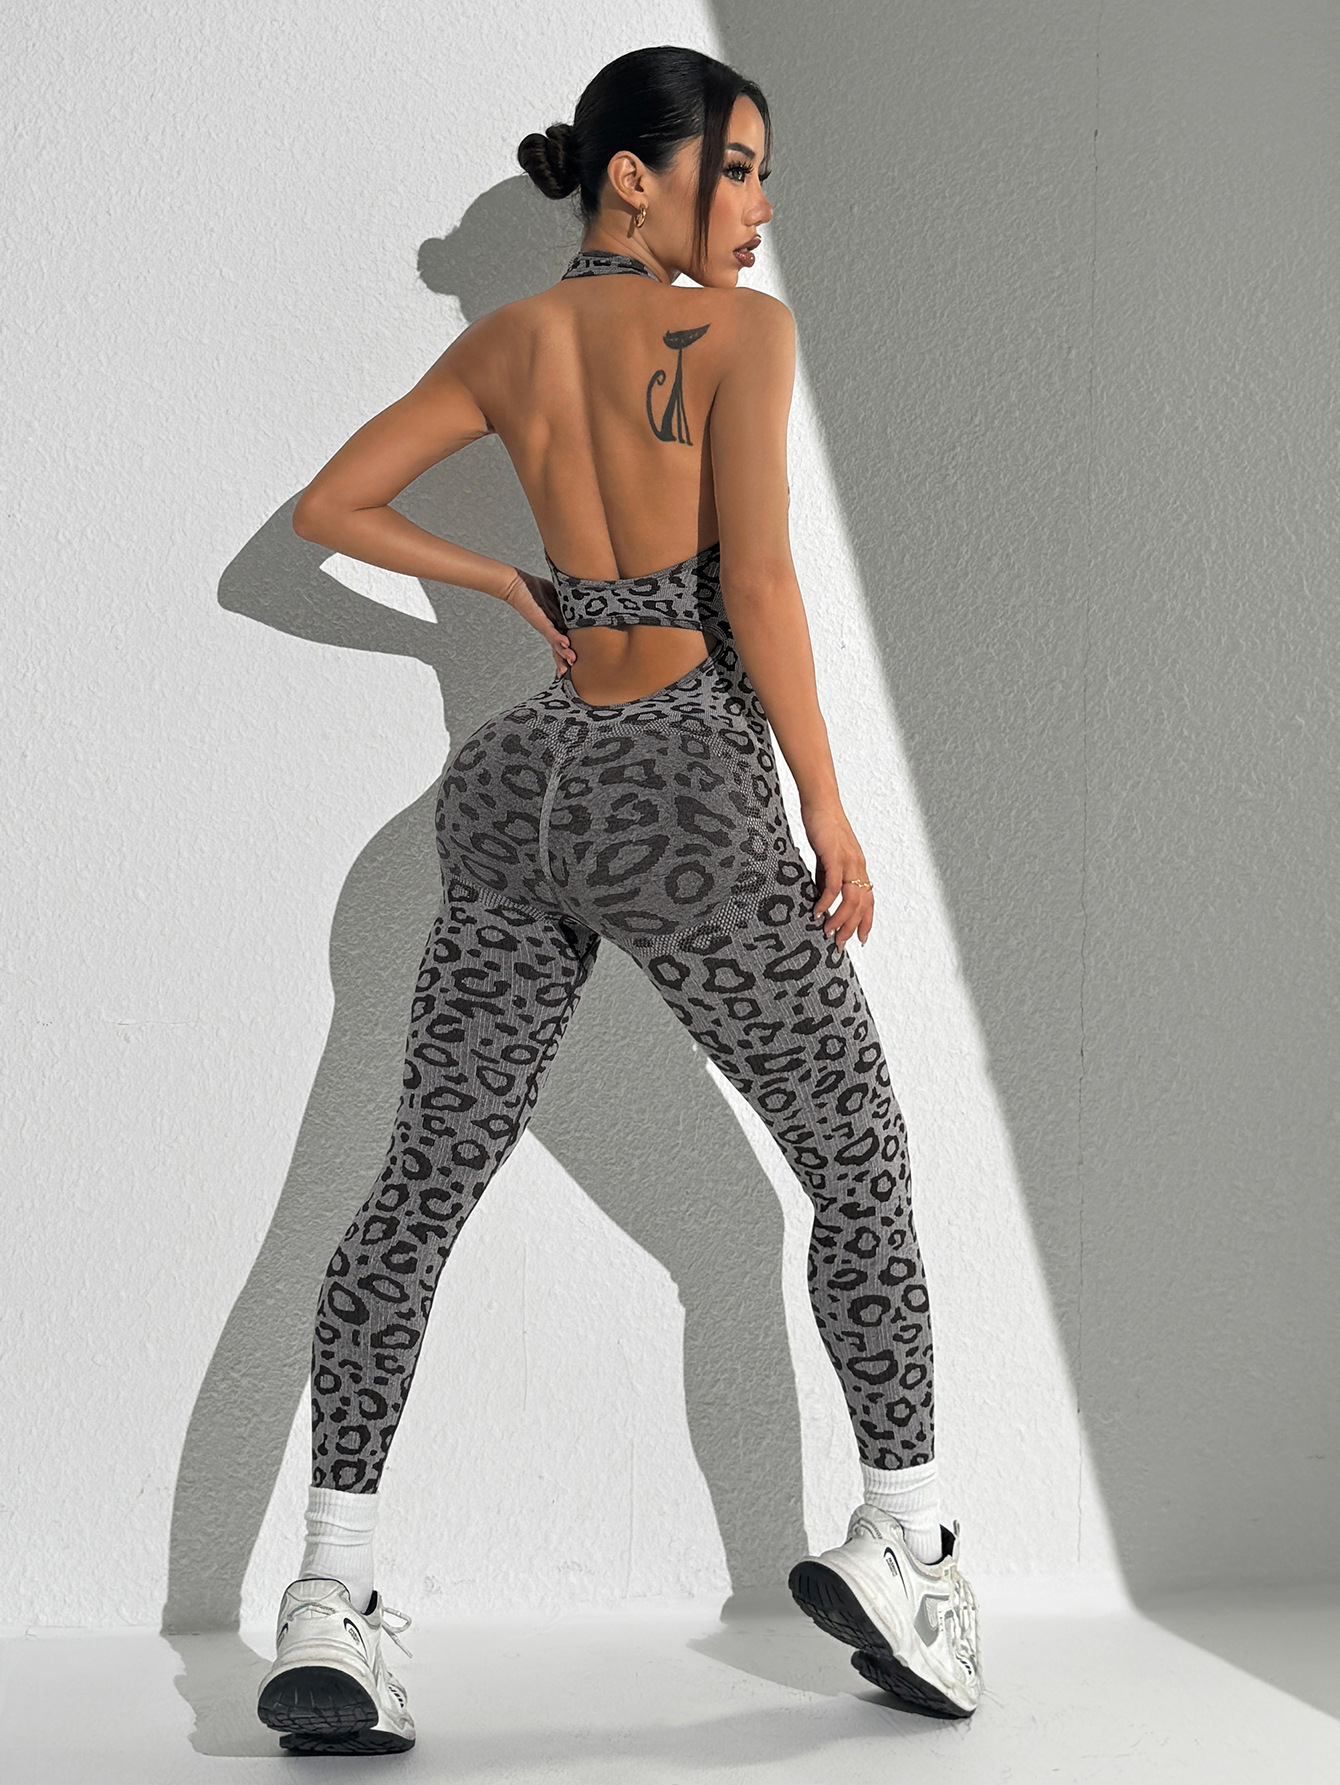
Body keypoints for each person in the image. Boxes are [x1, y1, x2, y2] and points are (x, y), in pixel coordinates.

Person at [253, 44, 982, 1754]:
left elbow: (331, 509)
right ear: (636, 177)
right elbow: (760, 580)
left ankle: (330, 1590)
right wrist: (827, 801)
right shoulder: (739, 339)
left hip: (519, 786)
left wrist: (504, 581)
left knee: (415, 1187)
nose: (760, 207)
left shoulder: (508, 346)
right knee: (859, 1156)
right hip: (677, 784)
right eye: (738, 169)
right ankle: (907, 1538)